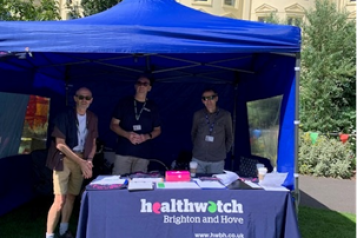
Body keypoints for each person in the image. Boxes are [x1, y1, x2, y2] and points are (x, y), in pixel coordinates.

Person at [45, 87, 98, 238]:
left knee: (72, 196)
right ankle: (49, 235)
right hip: (64, 158)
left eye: (87, 98)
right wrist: (82, 162)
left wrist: (88, 161)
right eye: (81, 97)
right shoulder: (64, 116)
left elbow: (94, 143)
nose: (84, 101)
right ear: (75, 98)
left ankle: (64, 229)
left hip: (81, 158)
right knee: (59, 199)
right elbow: (60, 144)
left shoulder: (93, 117)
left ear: (91, 101)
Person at [110, 76, 161, 175]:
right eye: (139, 83)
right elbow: (113, 125)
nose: (142, 86)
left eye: (145, 84)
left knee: (139, 185)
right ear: (135, 85)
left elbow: (158, 130)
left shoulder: (153, 106)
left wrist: (146, 137)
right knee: (119, 183)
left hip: (143, 153)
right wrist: (127, 135)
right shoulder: (124, 102)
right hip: (124, 151)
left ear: (149, 88)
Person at [191, 88, 233, 174]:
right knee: (197, 184)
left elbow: (230, 136)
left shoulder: (225, 115)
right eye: (205, 98)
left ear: (216, 98)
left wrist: (223, 151)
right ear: (202, 101)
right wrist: (199, 147)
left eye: (211, 97)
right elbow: (193, 133)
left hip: (217, 160)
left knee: (215, 185)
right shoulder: (197, 115)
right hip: (198, 158)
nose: (208, 101)